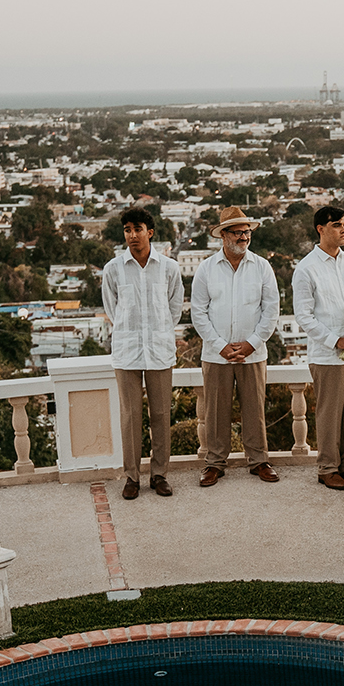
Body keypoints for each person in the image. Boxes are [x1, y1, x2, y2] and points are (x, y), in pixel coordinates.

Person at [190, 206, 278, 487]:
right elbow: (198, 313)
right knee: (216, 412)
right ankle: (215, 463)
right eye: (238, 232)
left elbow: (271, 310)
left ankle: (259, 460)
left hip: (253, 353)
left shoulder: (263, 266)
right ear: (223, 236)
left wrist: (252, 344)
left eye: (247, 231)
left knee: (255, 409)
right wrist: (220, 346)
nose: (244, 236)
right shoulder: (206, 268)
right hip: (216, 356)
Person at [101, 206, 185, 500]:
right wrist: (130, 331)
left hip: (160, 350)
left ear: (150, 232)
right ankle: (132, 477)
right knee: (130, 416)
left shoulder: (169, 268)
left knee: (161, 414)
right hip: (127, 351)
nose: (132, 235)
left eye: (138, 229)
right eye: (127, 230)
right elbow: (112, 310)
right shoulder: (113, 269)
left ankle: (159, 474)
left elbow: (174, 309)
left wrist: (158, 332)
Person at [291, 205, 344, 491]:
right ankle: (327, 468)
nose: (343, 229)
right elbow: (304, 316)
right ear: (320, 229)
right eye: (337, 224)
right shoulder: (305, 269)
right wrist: (336, 340)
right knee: (329, 414)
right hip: (328, 354)